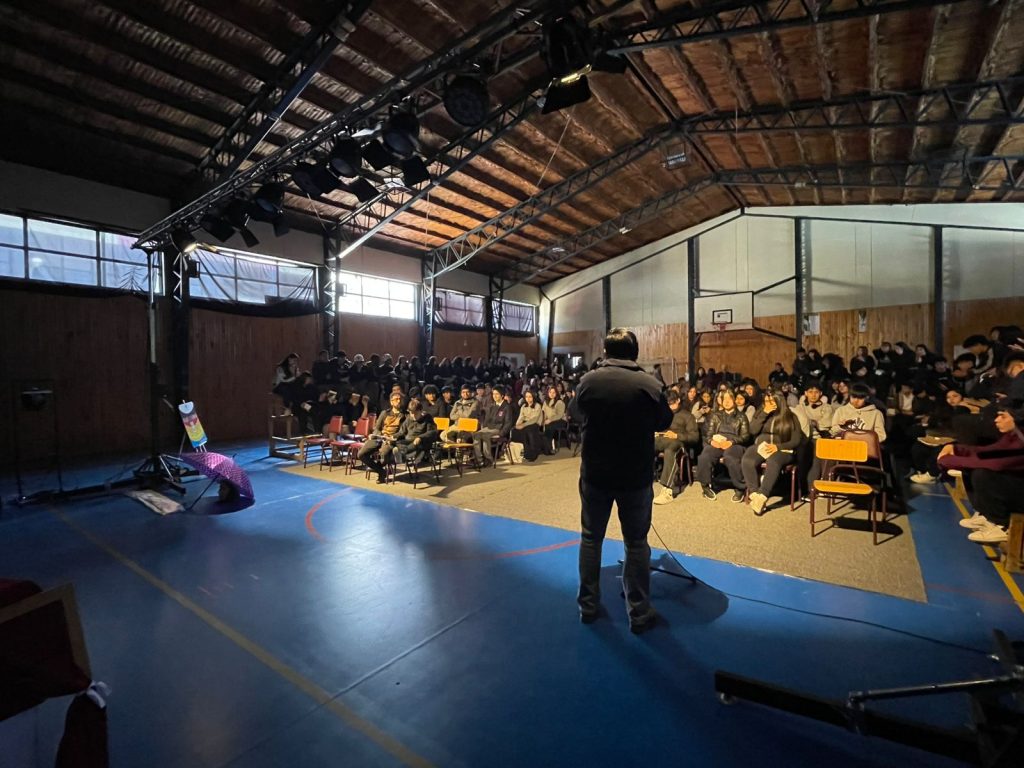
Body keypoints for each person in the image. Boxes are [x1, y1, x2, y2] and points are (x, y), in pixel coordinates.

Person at [570, 328, 672, 633]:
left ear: (605, 351)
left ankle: (588, 606)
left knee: (591, 538)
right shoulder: (649, 384)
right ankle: (638, 613)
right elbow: (665, 421)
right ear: (635, 352)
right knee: (636, 543)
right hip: (634, 476)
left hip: (596, 474)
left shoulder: (589, 381)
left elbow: (574, 412)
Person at [939, 405, 1024, 544]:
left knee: (983, 474)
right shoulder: (1013, 435)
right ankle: (985, 513)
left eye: (1003, 416)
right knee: (971, 469)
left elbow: (996, 463)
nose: (996, 420)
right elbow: (988, 452)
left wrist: (948, 460)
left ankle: (1002, 524)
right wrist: (955, 448)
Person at [741, 391, 806, 515]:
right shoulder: (762, 413)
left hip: (782, 448)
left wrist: (778, 447)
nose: (768, 405)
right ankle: (755, 494)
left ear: (779, 402)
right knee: (747, 459)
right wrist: (764, 413)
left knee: (773, 461)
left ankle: (763, 495)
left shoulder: (790, 417)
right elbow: (752, 430)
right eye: (766, 402)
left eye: (771, 402)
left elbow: (796, 440)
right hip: (762, 446)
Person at [695, 389, 750, 501]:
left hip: (734, 443)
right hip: (718, 442)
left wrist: (731, 442)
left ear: (734, 400)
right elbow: (709, 434)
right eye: (724, 399)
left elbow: (745, 436)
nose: (727, 402)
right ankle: (705, 487)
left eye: (729, 399)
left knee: (730, 457)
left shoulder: (741, 416)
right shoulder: (716, 415)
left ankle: (740, 488)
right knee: (705, 455)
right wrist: (712, 442)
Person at [653, 391, 700, 505]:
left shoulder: (688, 416)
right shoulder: (663, 413)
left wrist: (677, 435)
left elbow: (694, 437)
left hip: (678, 442)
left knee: (671, 449)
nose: (670, 406)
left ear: (678, 400)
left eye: (672, 403)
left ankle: (667, 490)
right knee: (643, 444)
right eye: (667, 404)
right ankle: (635, 481)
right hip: (661, 438)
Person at [358, 391, 406, 484]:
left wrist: (391, 438)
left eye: (400, 399)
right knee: (361, 454)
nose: (399, 401)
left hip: (391, 440)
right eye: (396, 399)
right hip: (379, 437)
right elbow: (377, 427)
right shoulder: (385, 413)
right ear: (391, 402)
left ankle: (381, 474)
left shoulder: (404, 415)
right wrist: (378, 435)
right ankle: (381, 471)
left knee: (384, 454)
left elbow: (402, 431)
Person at [473, 385, 513, 466]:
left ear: (502, 395)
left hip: (498, 429)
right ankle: (479, 459)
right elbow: (487, 420)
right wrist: (484, 428)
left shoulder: (507, 407)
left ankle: (488, 459)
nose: (494, 396)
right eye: (493, 394)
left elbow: (508, 423)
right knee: (476, 434)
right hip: (489, 428)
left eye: (497, 394)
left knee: (484, 435)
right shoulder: (492, 406)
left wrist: (501, 434)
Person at [511, 389, 545, 461]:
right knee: (514, 430)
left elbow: (534, 419)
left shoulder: (537, 406)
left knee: (529, 431)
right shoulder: (523, 406)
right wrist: (517, 425)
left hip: (535, 423)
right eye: (526, 397)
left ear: (533, 397)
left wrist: (523, 425)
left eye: (530, 397)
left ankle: (532, 454)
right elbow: (521, 417)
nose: (528, 398)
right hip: (525, 423)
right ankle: (523, 452)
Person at [541, 385, 567, 454]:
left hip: (560, 420)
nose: (552, 394)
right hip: (549, 421)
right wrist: (543, 421)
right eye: (550, 392)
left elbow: (559, 415)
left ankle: (549, 449)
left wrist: (550, 420)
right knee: (542, 426)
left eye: (553, 392)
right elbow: (544, 413)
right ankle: (545, 448)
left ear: (556, 393)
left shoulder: (559, 402)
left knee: (549, 427)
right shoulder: (545, 402)